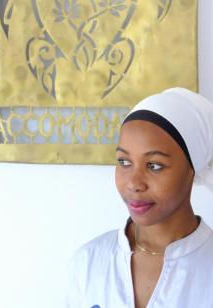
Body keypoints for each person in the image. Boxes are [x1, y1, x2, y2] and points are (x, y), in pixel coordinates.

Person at [65, 87, 213, 308]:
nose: (134, 183)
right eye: (124, 161)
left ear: (193, 167)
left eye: (154, 165)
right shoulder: (89, 262)